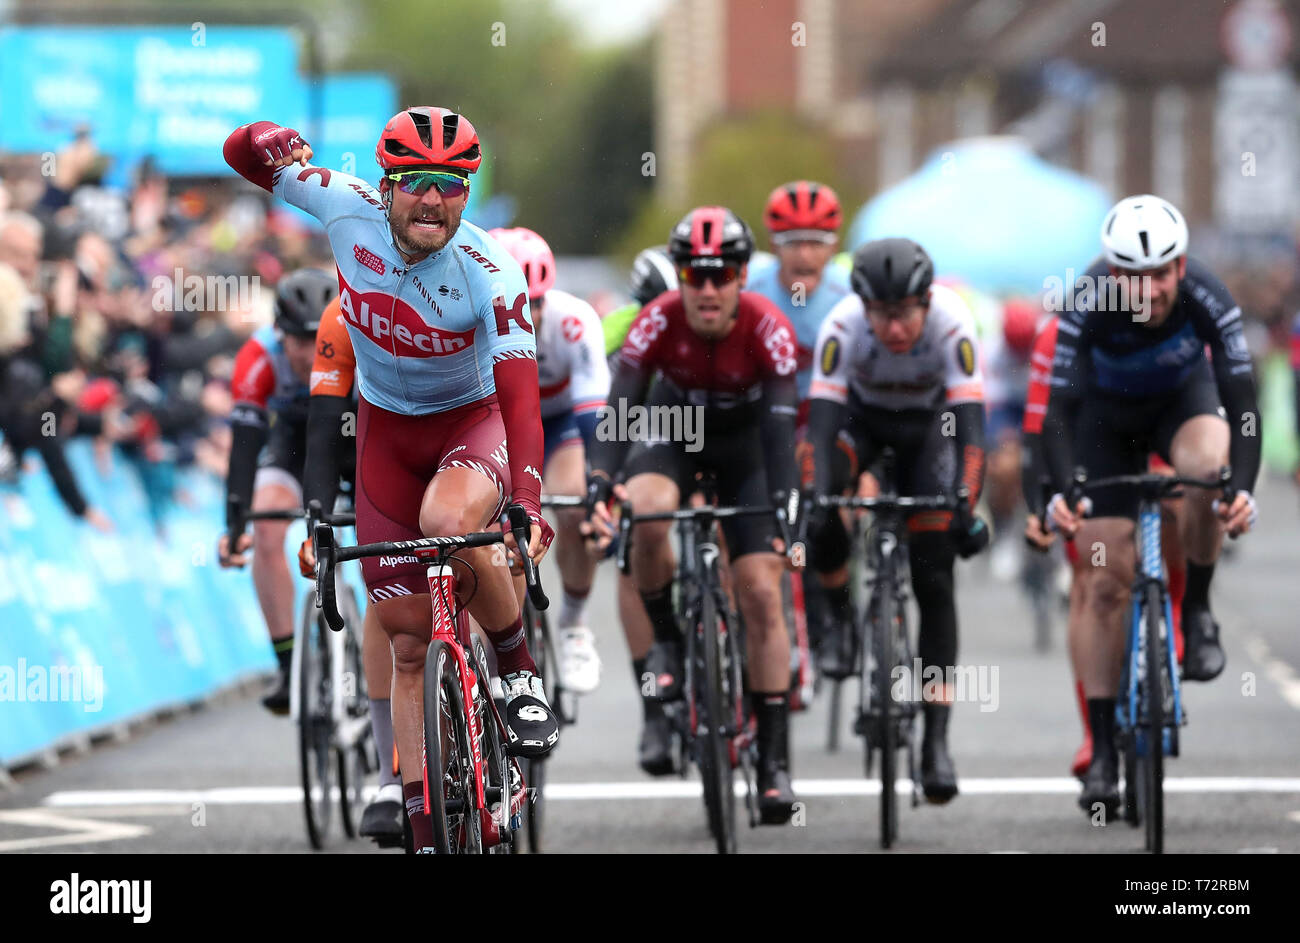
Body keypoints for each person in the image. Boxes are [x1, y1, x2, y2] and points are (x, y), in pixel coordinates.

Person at [225, 106, 558, 852]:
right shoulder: (342, 203)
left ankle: (517, 670)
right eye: (416, 184)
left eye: (453, 184)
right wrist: (263, 139)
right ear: (385, 185)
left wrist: (528, 499)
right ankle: (419, 815)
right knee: (408, 647)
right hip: (384, 437)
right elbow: (243, 159)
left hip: (471, 426)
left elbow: (522, 403)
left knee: (450, 521)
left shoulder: (491, 271)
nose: (433, 201)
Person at [1042, 195, 1260, 816]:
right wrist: (1063, 492)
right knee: (1101, 573)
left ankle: (1197, 610)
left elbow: (1243, 403)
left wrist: (1238, 491)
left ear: (1181, 267)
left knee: (1205, 474)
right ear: (1113, 274)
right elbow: (1056, 410)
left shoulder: (1209, 295)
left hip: (1179, 406)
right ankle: (1104, 746)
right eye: (1134, 278)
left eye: (1161, 274)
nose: (1149, 291)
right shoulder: (1085, 297)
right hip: (1103, 424)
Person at [585, 206, 803, 823]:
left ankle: (773, 764)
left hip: (748, 450)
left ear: (742, 276)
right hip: (671, 432)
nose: (708, 289)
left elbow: (785, 429)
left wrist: (789, 499)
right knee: (648, 511)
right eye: (695, 275)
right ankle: (669, 645)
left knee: (761, 591)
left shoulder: (768, 327)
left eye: (723, 274)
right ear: (679, 276)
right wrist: (601, 478)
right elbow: (622, 409)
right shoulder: (657, 322)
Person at [805, 237, 989, 803]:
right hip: (862, 424)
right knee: (819, 506)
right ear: (864, 307)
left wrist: (965, 498)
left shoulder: (954, 326)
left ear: (926, 303)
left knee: (935, 579)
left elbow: (973, 432)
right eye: (881, 314)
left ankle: (936, 741)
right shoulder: (840, 327)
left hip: (933, 431)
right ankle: (836, 615)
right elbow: (821, 427)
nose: (894, 327)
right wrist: (818, 494)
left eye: (905, 313)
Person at [490, 226, 609, 694]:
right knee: (493, 527)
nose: (530, 313)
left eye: (537, 301)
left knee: (577, 500)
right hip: (497, 426)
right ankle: (502, 638)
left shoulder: (574, 322)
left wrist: (600, 480)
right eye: (518, 300)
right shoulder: (469, 321)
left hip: (558, 427)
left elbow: (591, 416)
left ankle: (575, 624)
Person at [747, 181, 853, 689]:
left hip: (832, 418)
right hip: (772, 418)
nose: (804, 253)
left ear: (833, 245)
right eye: (793, 242)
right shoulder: (752, 291)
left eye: (816, 240)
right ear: (774, 245)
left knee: (834, 501)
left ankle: (836, 609)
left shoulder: (851, 295)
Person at [217, 268, 334, 712]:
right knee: (265, 531)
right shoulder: (257, 356)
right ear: (278, 334)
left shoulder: (358, 343)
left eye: (317, 339)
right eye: (299, 342)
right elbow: (244, 447)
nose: (309, 354)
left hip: (352, 439)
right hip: (291, 445)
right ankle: (288, 665)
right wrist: (236, 522)